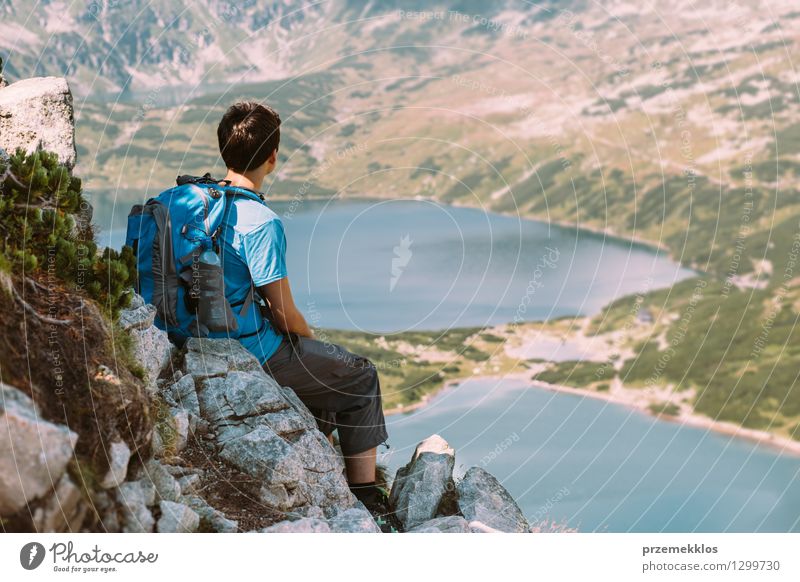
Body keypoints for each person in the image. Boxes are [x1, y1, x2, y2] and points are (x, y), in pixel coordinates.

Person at [213, 101, 395, 529]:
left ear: (225, 150)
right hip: (249, 350)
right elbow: (283, 313)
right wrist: (308, 338)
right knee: (360, 376)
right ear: (272, 158)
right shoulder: (259, 221)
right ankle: (367, 498)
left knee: (324, 376)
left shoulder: (193, 200)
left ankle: (320, 467)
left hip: (191, 336)